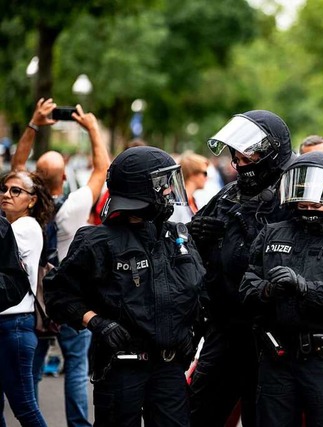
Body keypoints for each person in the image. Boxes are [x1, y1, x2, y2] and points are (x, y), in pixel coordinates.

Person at [44, 146, 207, 427]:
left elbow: (200, 292)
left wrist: (192, 331)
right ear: (140, 190)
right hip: (121, 368)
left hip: (169, 368)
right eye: (161, 184)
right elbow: (58, 294)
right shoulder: (98, 242)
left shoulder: (176, 237)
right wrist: (95, 322)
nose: (168, 191)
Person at [239, 151, 323, 426]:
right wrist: (269, 290)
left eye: (318, 196)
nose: (310, 202)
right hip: (276, 357)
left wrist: (305, 288)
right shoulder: (272, 233)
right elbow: (246, 286)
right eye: (303, 191)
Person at [188, 110, 296, 427]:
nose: (241, 161)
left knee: (262, 416)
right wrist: (196, 235)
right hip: (223, 328)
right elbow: (193, 252)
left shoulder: (290, 199)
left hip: (270, 332)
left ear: (271, 151)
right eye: (237, 154)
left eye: (250, 154)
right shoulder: (226, 195)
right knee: (198, 412)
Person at [12, 97, 110, 427]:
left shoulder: (26, 207)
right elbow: (102, 170)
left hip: (35, 303)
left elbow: (16, 168)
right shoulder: (75, 207)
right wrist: (93, 128)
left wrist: (34, 123)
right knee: (77, 370)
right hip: (72, 299)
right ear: (65, 174)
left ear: (34, 179)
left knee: (33, 372)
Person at [1, 170, 54, 427]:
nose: (6, 194)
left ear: (31, 200)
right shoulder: (10, 226)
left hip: (15, 326)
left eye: (15, 191)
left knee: (24, 407)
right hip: (9, 326)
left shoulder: (26, 227)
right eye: (4, 189)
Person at [169, 152, 210, 223]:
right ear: (192, 174)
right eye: (205, 173)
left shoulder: (192, 200)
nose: (207, 177)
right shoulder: (176, 203)